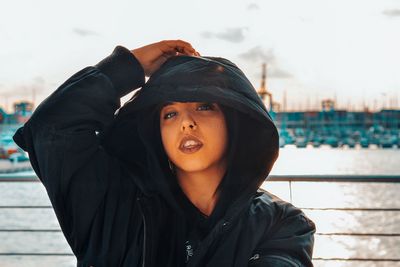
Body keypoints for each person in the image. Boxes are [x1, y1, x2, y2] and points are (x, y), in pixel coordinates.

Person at [13, 40, 315, 266]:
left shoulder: (282, 224)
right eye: (169, 114)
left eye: (204, 106)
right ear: (154, 132)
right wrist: (128, 66)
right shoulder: (114, 206)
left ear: (234, 120)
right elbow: (52, 129)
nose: (186, 122)